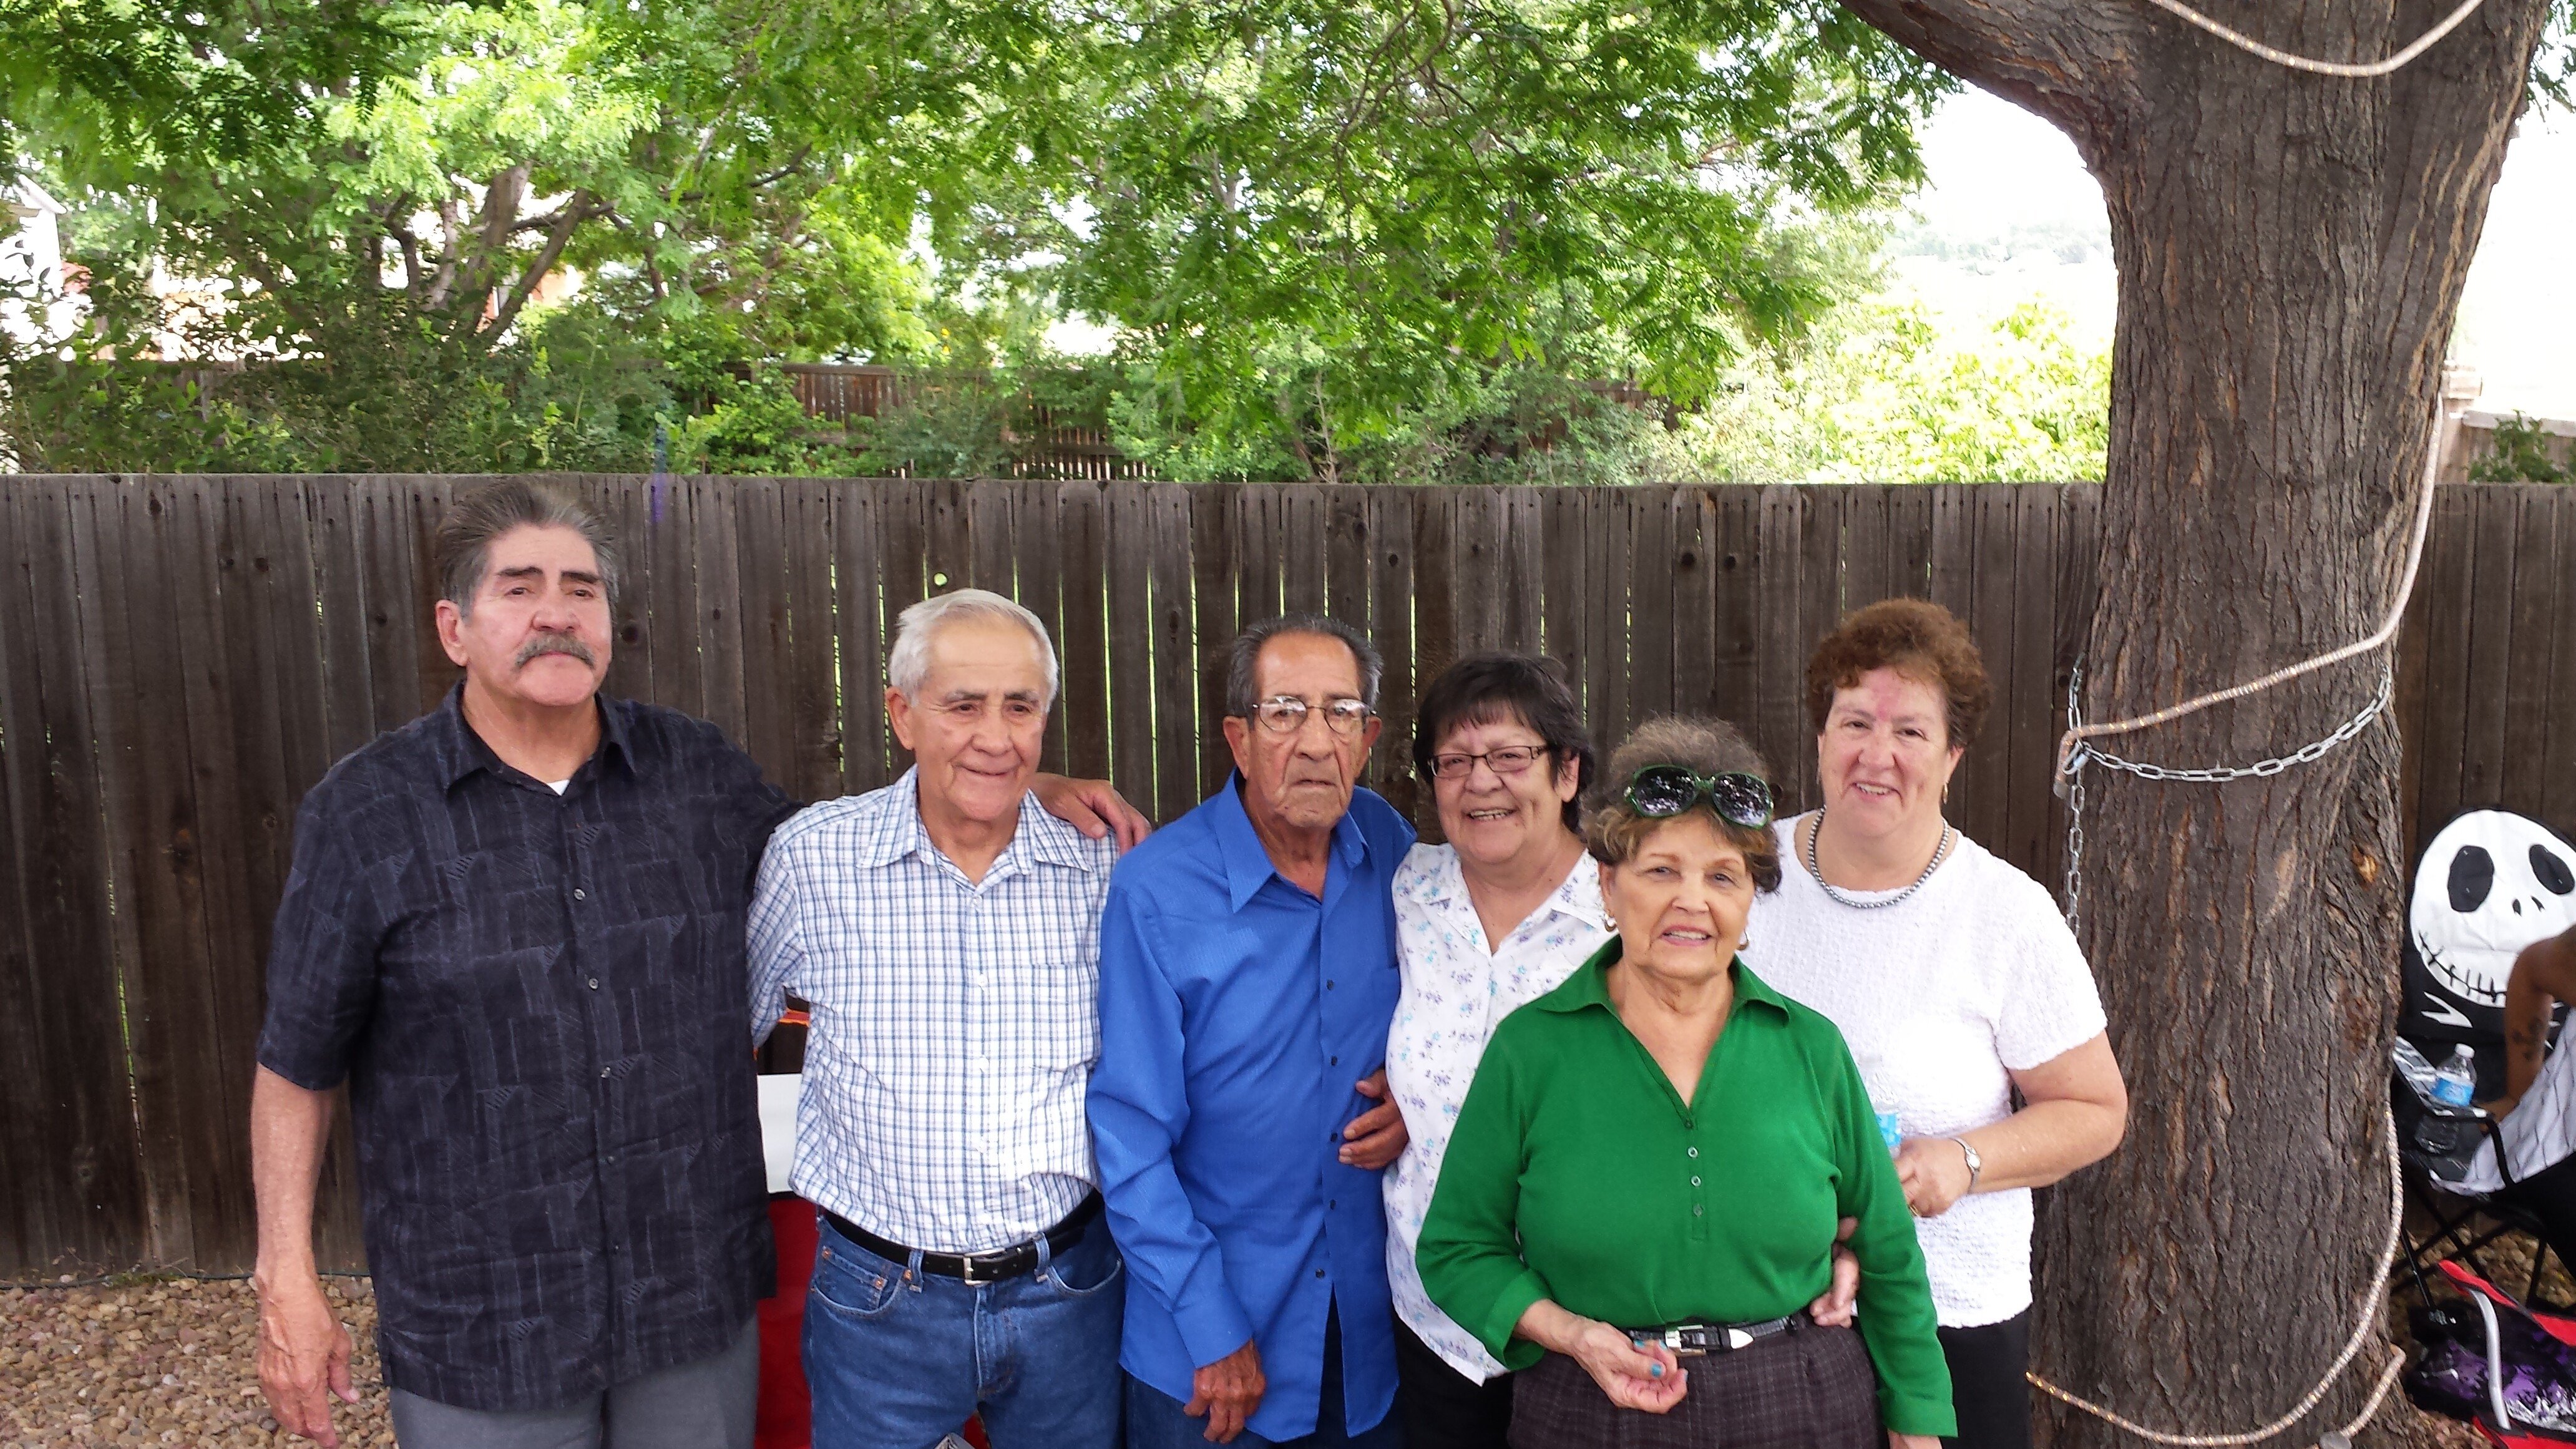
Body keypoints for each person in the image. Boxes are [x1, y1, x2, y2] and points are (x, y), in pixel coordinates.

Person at [250, 481, 1146, 1449]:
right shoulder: (368, 814)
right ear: (453, 627)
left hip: (683, 1297)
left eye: (582, 589)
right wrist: (287, 1277)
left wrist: (1015, 783)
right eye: (519, 587)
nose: (556, 612)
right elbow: (298, 1059)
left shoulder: (696, 776)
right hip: (486, 1312)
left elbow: (880, 851)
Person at [1417, 717, 1954, 1449]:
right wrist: (1570, 1334)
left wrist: (1917, 1427)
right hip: (1592, 1402)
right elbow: (1456, 1248)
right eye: (1661, 871)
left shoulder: (1811, 1048)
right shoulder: (1530, 1050)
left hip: (1803, 1402)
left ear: (1750, 900)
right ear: (1609, 886)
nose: (1692, 901)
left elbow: (1889, 1255)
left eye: (1722, 876)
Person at [1744, 597, 2127, 1449]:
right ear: (1821, 736)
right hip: (1765, 1305)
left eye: (1911, 731)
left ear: (1953, 756)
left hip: (1951, 1311)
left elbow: (2096, 1110)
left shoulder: (2005, 913)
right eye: (1855, 722)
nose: (1876, 754)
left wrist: (1964, 1159)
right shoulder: (1744, 879)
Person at [747, 588, 1125, 1448]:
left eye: (1020, 706)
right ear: (902, 714)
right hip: (880, 1299)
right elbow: (726, 1030)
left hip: (1068, 1289)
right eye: (963, 705)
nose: (996, 736)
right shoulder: (815, 859)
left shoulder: (1103, 865)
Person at [1089, 613, 1415, 1448]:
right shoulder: (1157, 889)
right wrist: (1210, 1323)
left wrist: (1417, 1099)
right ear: (1239, 739)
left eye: (1341, 712)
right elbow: (1128, 1135)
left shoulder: (1390, 847)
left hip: (1365, 1337)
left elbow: (1458, 1005)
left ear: (1368, 738)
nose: (1316, 742)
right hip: (1210, 1350)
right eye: (1285, 712)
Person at [1382, 655, 1607, 1449]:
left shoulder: (1630, 912)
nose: (1481, 782)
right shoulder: (1408, 887)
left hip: (1587, 1325)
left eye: (1511, 756)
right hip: (1433, 1317)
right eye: (1454, 762)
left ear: (1567, 771)